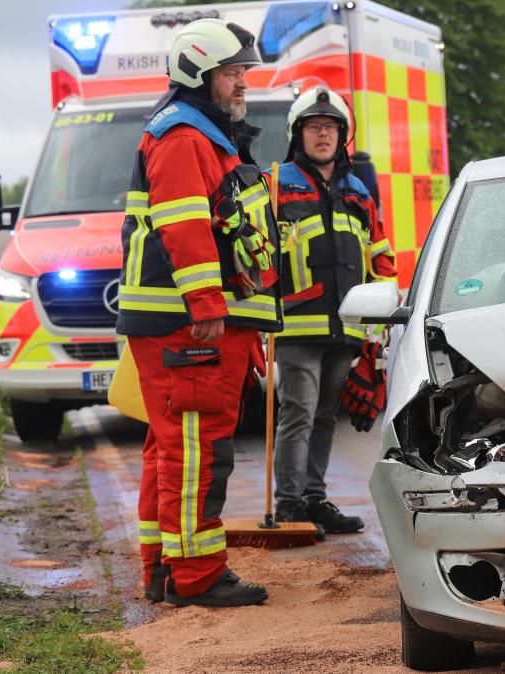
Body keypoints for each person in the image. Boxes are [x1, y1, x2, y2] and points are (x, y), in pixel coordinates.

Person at [117, 18, 282, 608]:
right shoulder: (186, 138)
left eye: (243, 73)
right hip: (189, 326)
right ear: (198, 73)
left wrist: (249, 320)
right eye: (233, 73)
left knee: (172, 449)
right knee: (197, 451)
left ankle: (165, 568)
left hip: (195, 324)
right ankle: (198, 576)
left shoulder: (204, 135)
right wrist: (208, 303)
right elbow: (184, 227)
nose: (243, 84)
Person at [268, 86, 397, 533]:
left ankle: (313, 499)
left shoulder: (357, 190)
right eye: (313, 127)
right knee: (298, 411)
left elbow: (380, 253)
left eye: (330, 127)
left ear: (342, 136)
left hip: (346, 327)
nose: (322, 135)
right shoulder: (275, 185)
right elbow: (259, 253)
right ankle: (288, 505)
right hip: (296, 325)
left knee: (325, 416)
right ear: (297, 134)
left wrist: (379, 323)